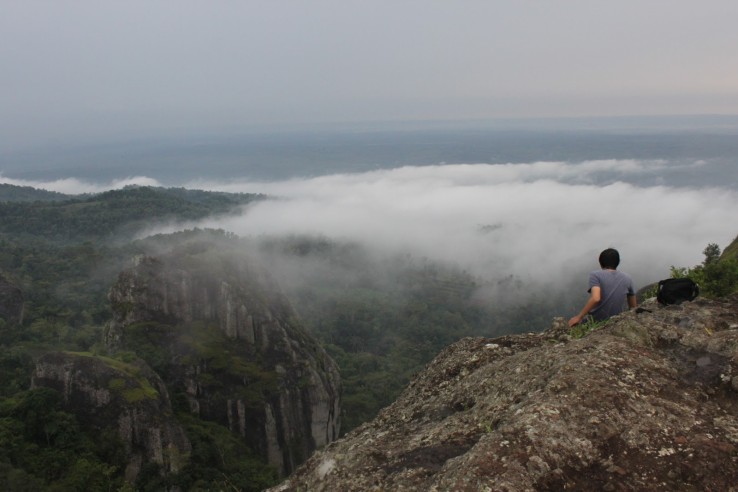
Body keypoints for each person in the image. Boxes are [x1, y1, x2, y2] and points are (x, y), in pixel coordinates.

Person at [568, 248, 636, 327]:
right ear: (618, 262)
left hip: (595, 322)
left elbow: (596, 298)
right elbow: (633, 307)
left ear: (600, 262)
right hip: (616, 321)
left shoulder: (595, 275)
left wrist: (579, 317)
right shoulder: (628, 278)